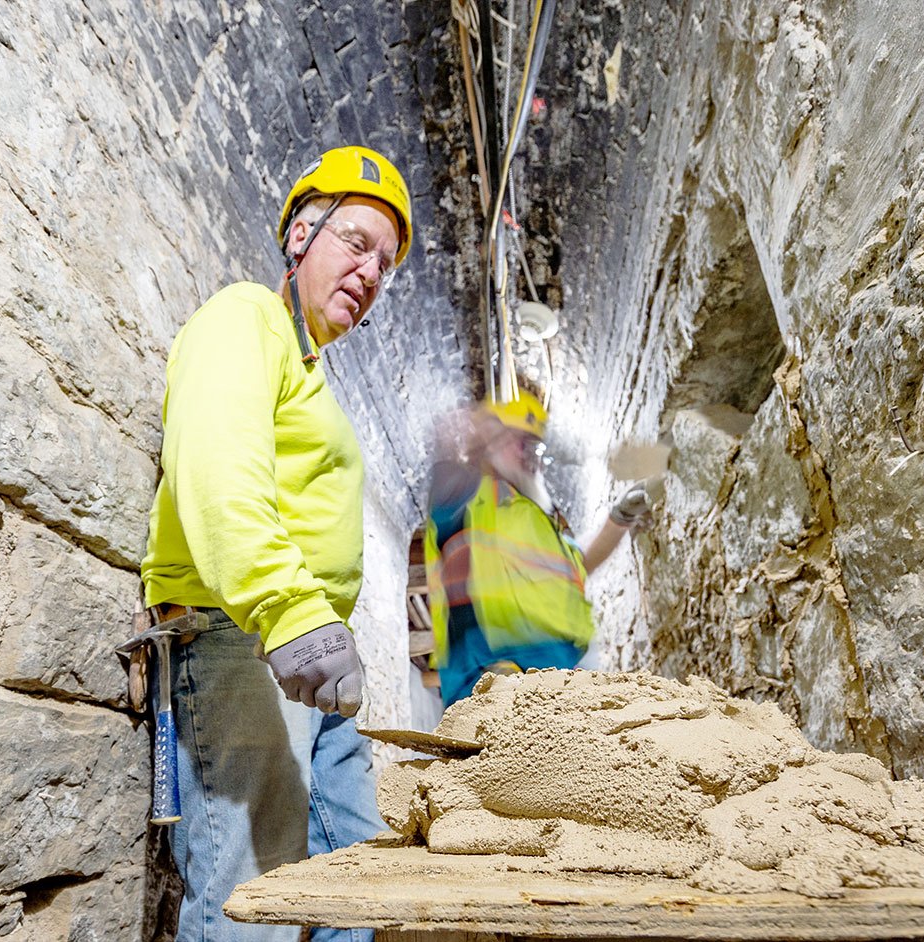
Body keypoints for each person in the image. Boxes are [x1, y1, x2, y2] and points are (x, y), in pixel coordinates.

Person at [139, 145, 412, 942]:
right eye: (356, 242)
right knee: (247, 906)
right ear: (300, 234)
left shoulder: (309, 367)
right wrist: (291, 611)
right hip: (249, 638)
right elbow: (219, 463)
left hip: (304, 659)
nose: (370, 272)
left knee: (353, 890)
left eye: (385, 264)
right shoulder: (245, 316)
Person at [424, 390, 651, 706]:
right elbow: (446, 456)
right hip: (492, 675)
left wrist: (619, 518)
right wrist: (470, 433)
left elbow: (579, 564)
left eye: (536, 446)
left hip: (562, 672)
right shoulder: (467, 494)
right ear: (494, 442)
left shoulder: (542, 519)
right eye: (522, 443)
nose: (532, 455)